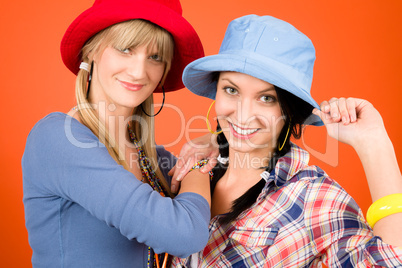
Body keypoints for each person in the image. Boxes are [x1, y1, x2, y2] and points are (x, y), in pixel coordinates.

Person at [171, 15, 402, 267]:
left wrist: (375, 144)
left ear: (289, 110)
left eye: (267, 98)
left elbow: (391, 262)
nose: (244, 114)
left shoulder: (313, 198)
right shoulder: (193, 170)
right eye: (231, 90)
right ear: (216, 90)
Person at [21, 0, 215, 267]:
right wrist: (198, 166)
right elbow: (185, 235)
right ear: (92, 51)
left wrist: (215, 143)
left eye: (155, 57)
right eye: (125, 49)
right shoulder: (58, 138)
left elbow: (224, 198)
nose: (138, 71)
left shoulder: (154, 160)